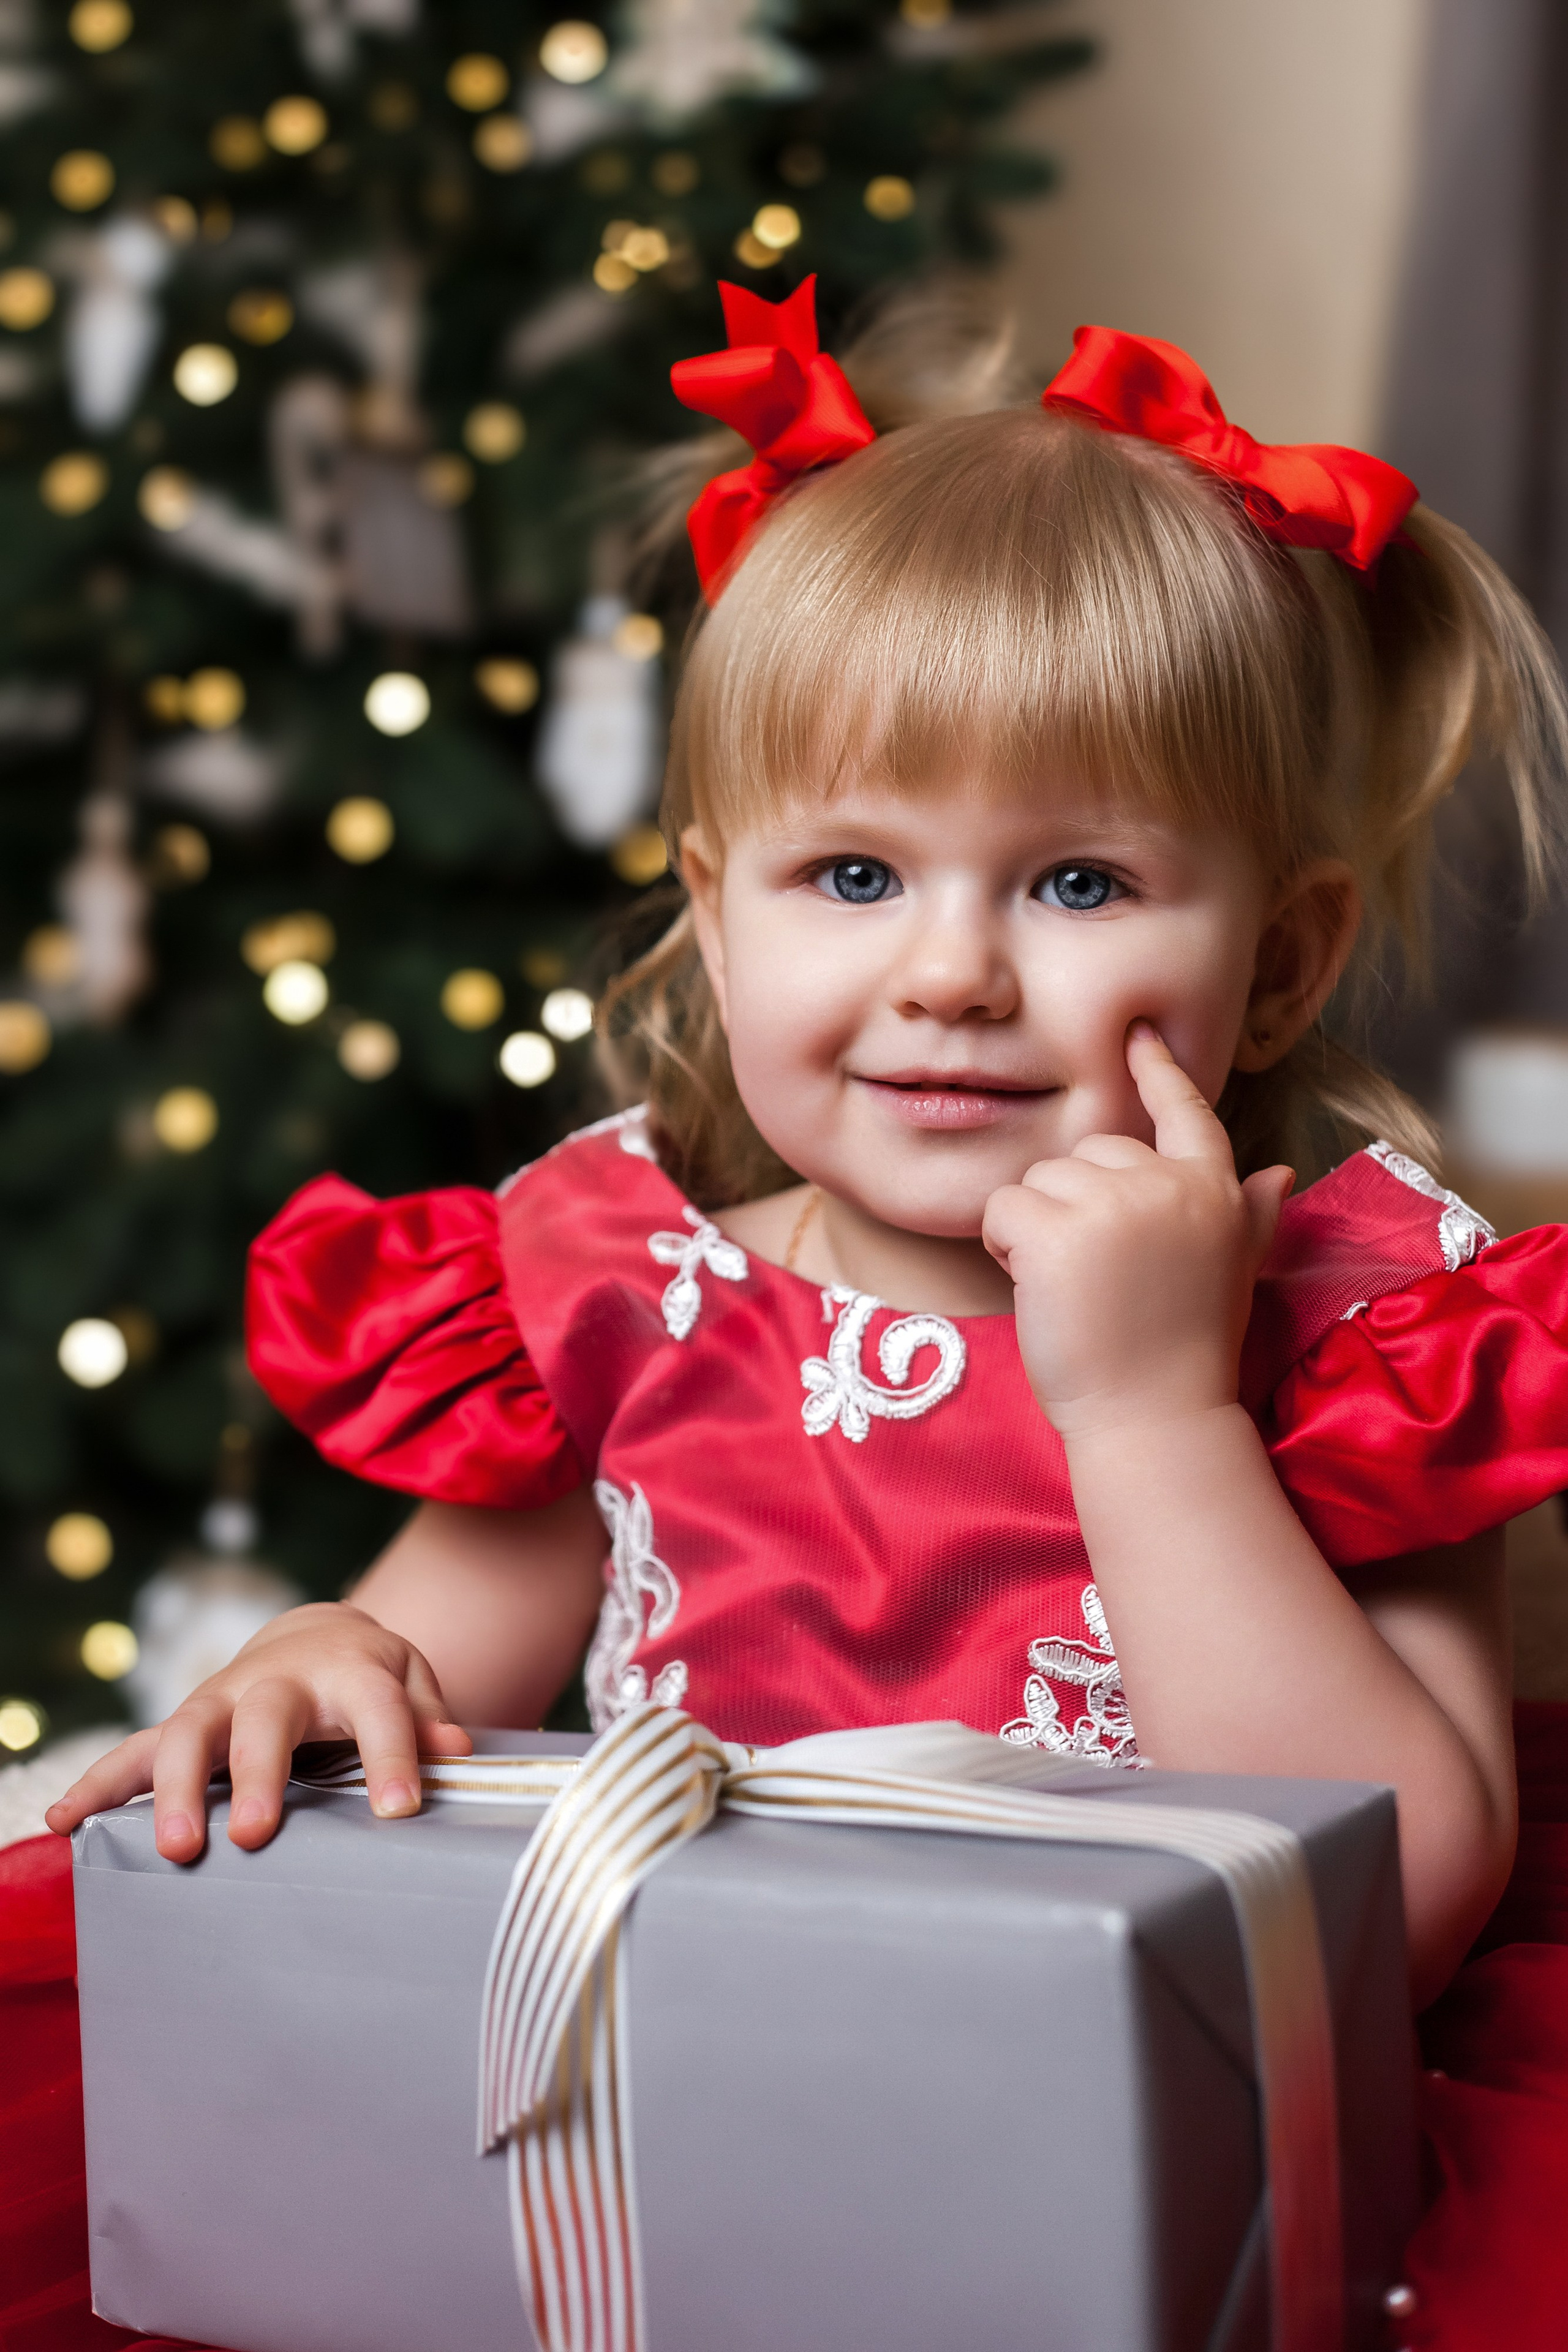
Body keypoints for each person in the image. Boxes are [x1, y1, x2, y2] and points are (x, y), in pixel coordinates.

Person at [46, 287, 1568, 2022]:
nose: (949, 976)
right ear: (712, 918)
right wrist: (321, 1660)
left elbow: (1403, 1904)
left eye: (1081, 884)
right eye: (854, 877)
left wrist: (1157, 1419)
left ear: (1281, 964)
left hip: (1142, 2155)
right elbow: (409, 1712)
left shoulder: (1367, 1345)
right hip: (673, 2116)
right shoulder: (619, 1298)